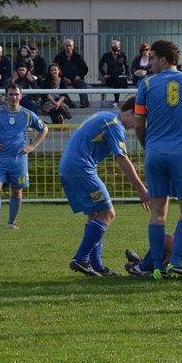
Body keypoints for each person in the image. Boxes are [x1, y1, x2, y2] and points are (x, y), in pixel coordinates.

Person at [135, 39, 182, 279]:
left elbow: (138, 123)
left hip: (154, 153)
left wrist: (148, 146)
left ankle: (157, 266)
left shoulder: (146, 84)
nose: (150, 63)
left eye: (153, 58)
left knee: (158, 211)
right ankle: (176, 261)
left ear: (163, 59)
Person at [61, 98, 150, 277]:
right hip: (81, 168)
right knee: (108, 213)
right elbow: (122, 159)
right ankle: (81, 258)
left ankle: (97, 266)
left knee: (95, 214)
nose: (136, 126)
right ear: (131, 113)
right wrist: (141, 189)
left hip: (68, 167)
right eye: (138, 120)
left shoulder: (105, 115)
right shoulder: (114, 124)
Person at [0, 84, 49, 230]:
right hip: (1, 158)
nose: (14, 97)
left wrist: (32, 146)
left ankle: (12, 222)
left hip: (19, 160)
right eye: (11, 94)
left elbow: (44, 129)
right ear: (5, 96)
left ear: (21, 96)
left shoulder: (28, 114)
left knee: (17, 190)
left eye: (16, 94)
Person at [53, 39, 90, 107]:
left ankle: (84, 102)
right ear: (64, 46)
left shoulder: (78, 56)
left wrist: (79, 76)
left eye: (70, 46)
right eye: (67, 46)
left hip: (75, 78)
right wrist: (62, 77)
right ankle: (70, 104)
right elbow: (54, 69)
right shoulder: (58, 57)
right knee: (59, 87)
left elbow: (85, 69)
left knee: (82, 84)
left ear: (73, 46)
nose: (68, 47)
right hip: (63, 79)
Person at [98, 40, 130, 106]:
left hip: (120, 76)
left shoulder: (122, 55)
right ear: (111, 48)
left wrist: (127, 74)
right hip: (110, 77)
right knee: (115, 79)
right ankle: (116, 101)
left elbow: (126, 65)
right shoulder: (106, 55)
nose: (116, 52)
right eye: (114, 49)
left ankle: (118, 101)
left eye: (117, 49)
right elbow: (100, 66)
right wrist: (104, 74)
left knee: (118, 79)